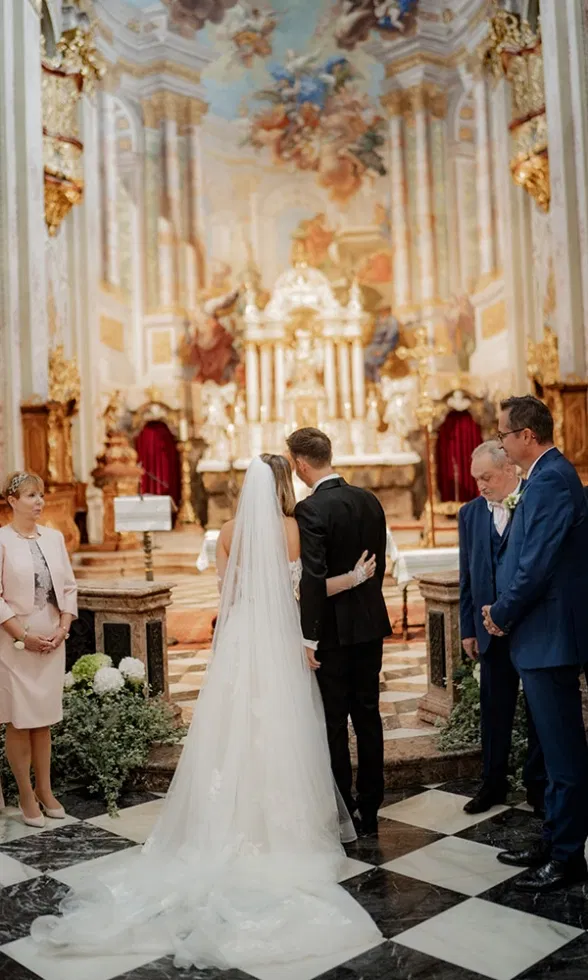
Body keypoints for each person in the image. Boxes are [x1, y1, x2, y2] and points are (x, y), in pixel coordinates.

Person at [31, 455, 382, 973]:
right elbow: (305, 588)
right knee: (285, 728)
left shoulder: (227, 531)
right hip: (281, 642)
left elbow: (230, 591)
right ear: (286, 484)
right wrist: (352, 577)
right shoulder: (295, 527)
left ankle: (223, 819)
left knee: (233, 727)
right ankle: (287, 823)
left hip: (241, 638)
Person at [483, 395, 588, 893]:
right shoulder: (543, 478)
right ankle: (552, 840)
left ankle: (568, 858)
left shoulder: (549, 481)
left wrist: (501, 614)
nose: (500, 442)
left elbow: (536, 565)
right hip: (541, 636)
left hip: (549, 637)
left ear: (527, 435)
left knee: (564, 755)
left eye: (503, 433)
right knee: (547, 750)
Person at [286, 427, 391, 837]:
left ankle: (344, 808)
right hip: (369, 626)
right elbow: (375, 567)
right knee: (368, 715)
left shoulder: (310, 510)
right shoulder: (369, 500)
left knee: (332, 722)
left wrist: (309, 636)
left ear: (300, 464)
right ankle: (372, 805)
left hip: (330, 634)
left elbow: (313, 578)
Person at [459, 441, 545, 815]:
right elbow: (467, 577)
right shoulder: (469, 514)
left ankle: (538, 785)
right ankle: (492, 784)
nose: (480, 485)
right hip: (488, 633)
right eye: (476, 478)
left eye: (487, 477)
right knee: (494, 711)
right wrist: (468, 629)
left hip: (532, 627)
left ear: (509, 468)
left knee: (540, 711)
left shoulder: (534, 501)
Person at [0, 472, 77, 827]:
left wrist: (63, 627)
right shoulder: (1, 541)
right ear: (12, 500)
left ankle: (46, 790)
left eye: (41, 495)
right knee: (20, 719)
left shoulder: (55, 538)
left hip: (51, 640)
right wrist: (23, 634)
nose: (39, 501)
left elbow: (69, 586)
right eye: (31, 495)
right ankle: (25, 794)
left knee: (43, 720)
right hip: (14, 643)